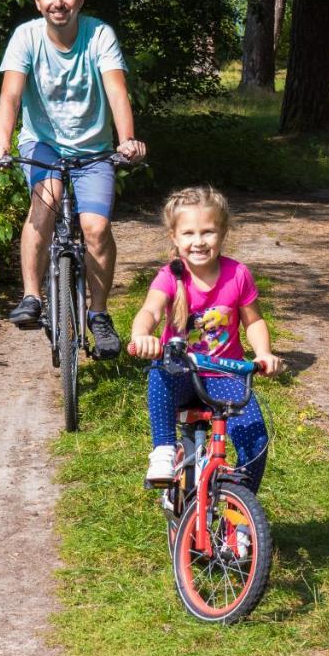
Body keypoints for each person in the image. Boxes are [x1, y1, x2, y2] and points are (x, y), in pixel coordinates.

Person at [0, 0, 146, 358]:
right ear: (38, 1)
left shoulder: (99, 35)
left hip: (94, 149)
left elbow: (116, 93)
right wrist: (2, 144)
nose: (58, 1)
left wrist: (127, 140)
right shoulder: (26, 37)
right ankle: (32, 298)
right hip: (42, 143)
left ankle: (99, 315)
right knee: (47, 201)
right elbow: (10, 95)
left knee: (95, 228)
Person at [127, 186, 285, 486]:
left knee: (255, 440)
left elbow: (254, 321)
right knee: (161, 370)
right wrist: (142, 334)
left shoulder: (237, 274)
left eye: (208, 232)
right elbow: (150, 311)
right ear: (174, 237)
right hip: (182, 373)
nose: (198, 242)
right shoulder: (170, 276)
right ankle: (162, 449)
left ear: (223, 233)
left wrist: (263, 353)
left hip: (226, 375)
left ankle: (239, 516)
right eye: (188, 233)